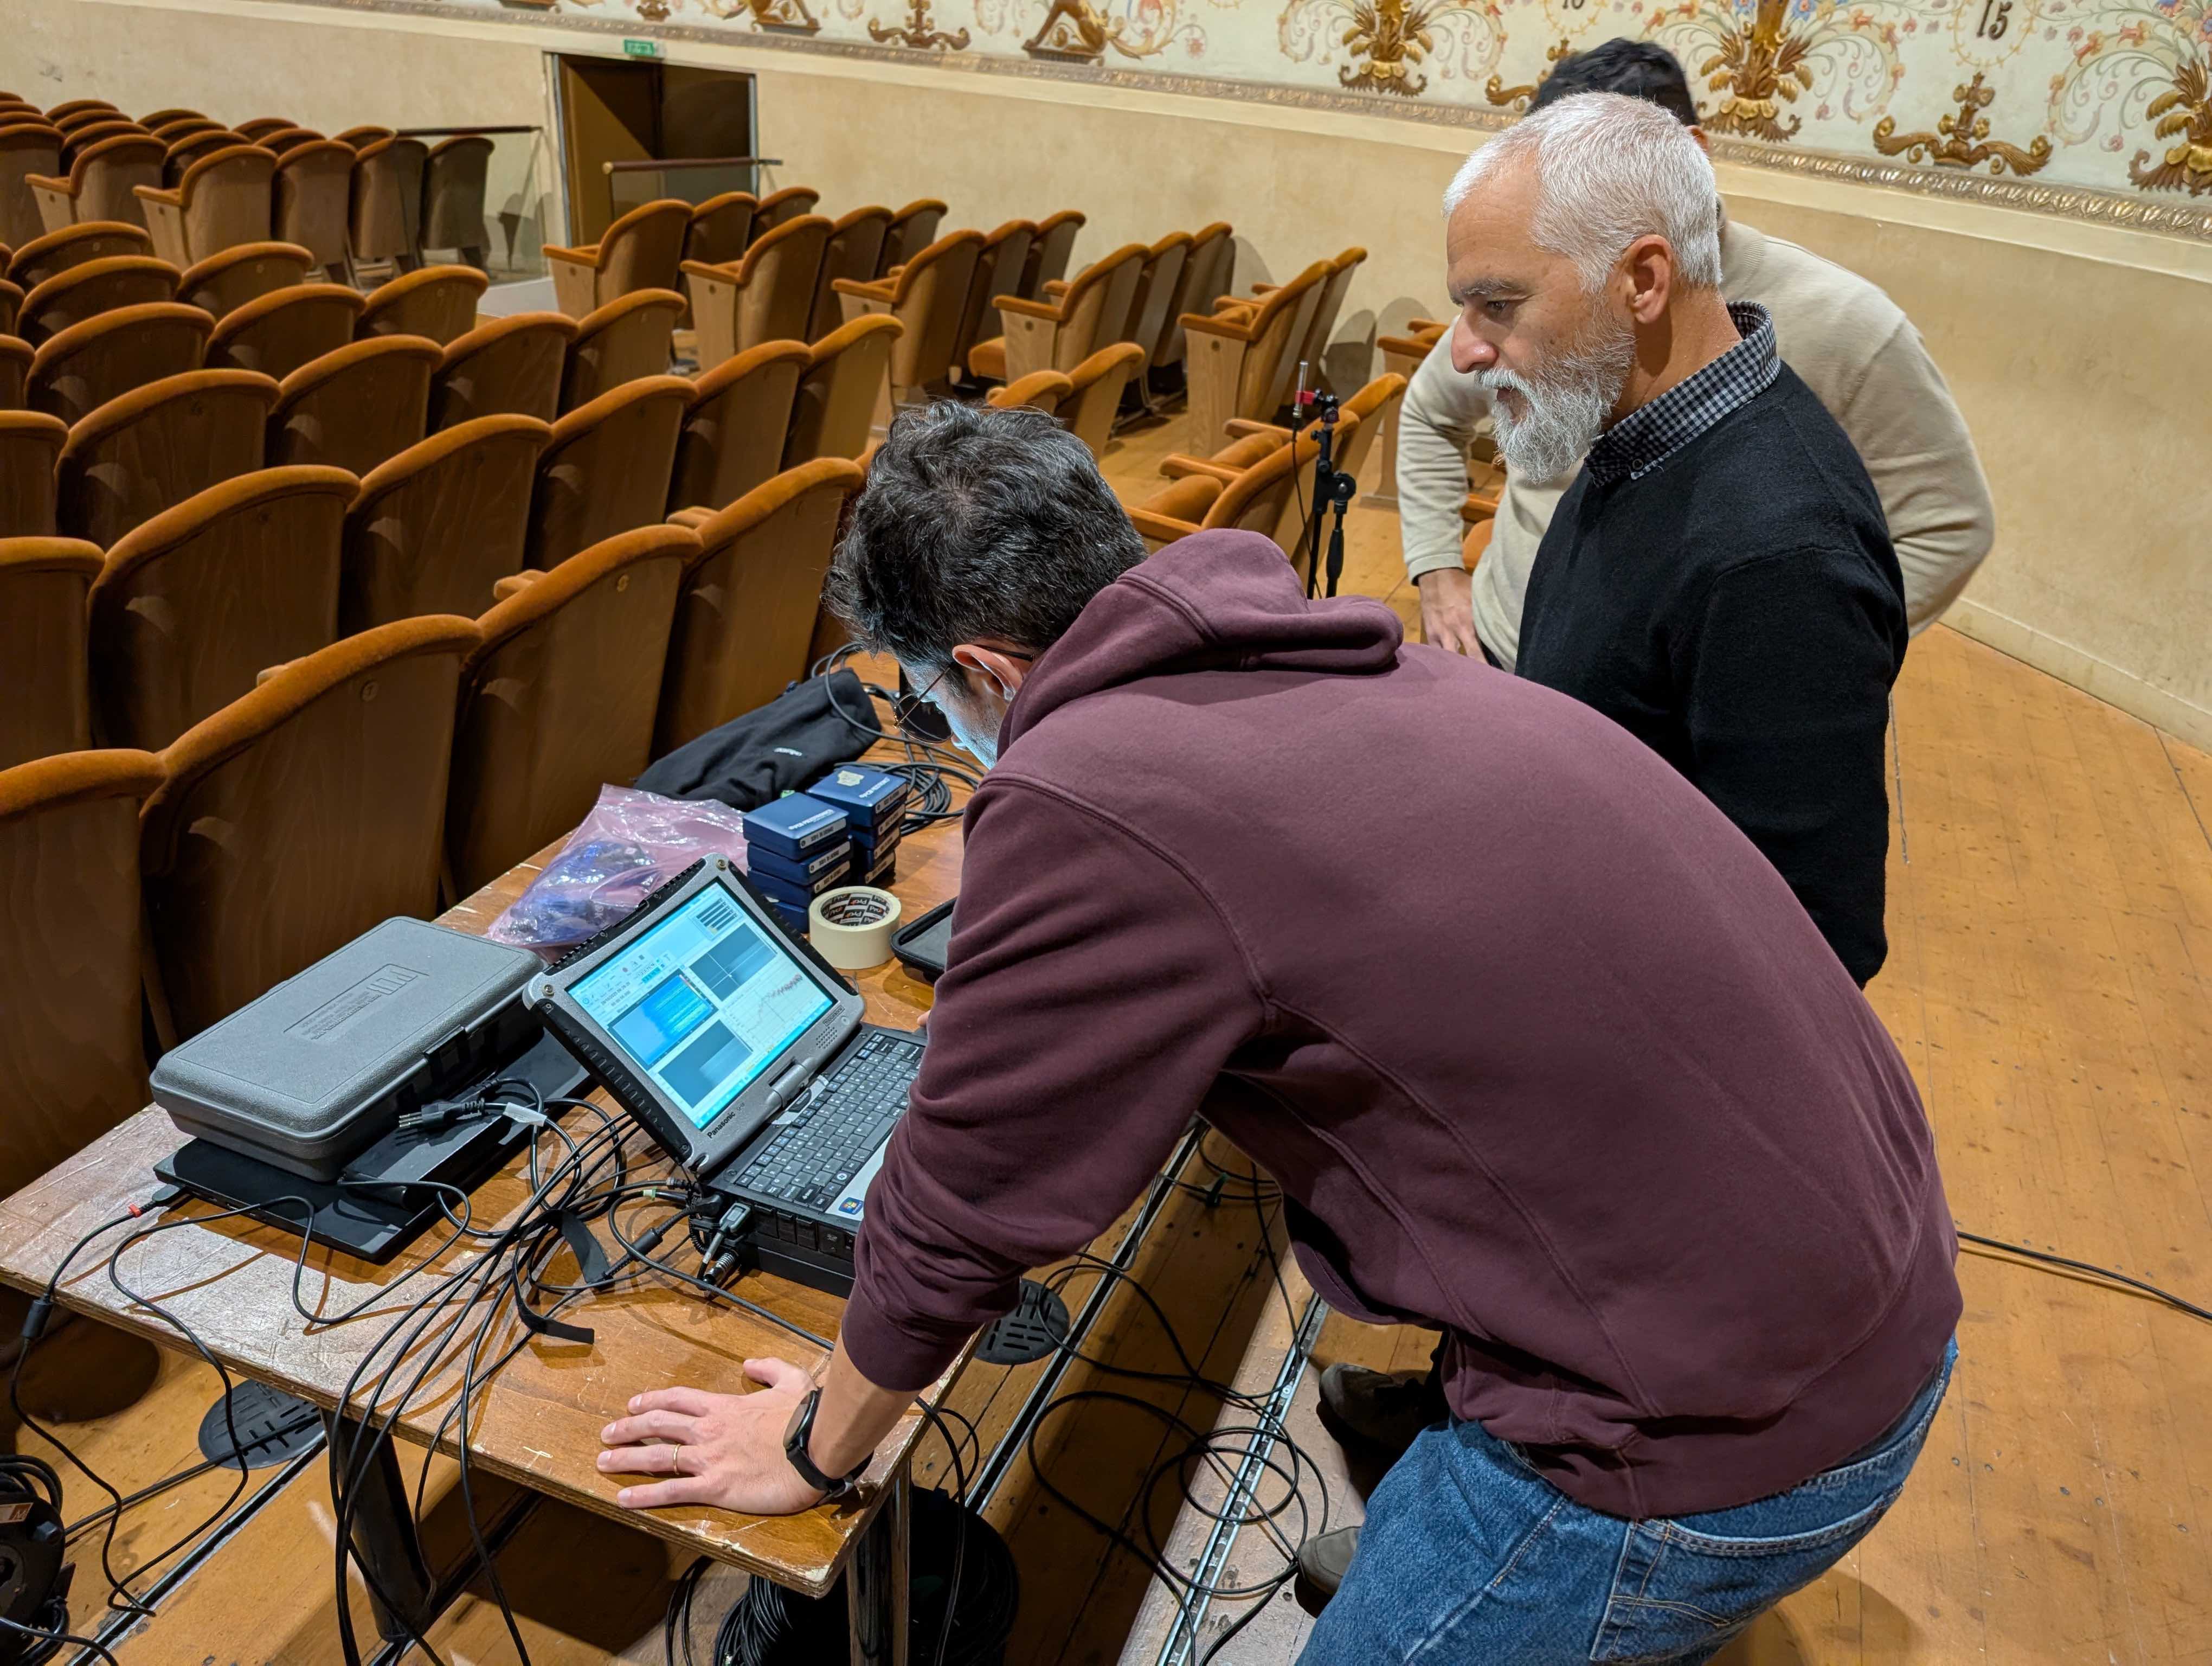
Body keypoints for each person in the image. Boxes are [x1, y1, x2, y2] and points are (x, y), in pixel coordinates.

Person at [594, 402, 1962, 1664]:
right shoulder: (1351, 659)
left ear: (981, 670)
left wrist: (815, 1445)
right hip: (1874, 1295)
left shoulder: (1087, 788)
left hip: (1722, 1439)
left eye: (926, 697)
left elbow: (961, 1202)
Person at [1401, 40, 1993, 678]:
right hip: (1499, 654)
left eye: (1582, 178)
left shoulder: (1844, 323)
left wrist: (1798, 653)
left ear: (1691, 157)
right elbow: (1430, 413)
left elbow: (1947, 525)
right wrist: (1438, 570)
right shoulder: (1512, 309)